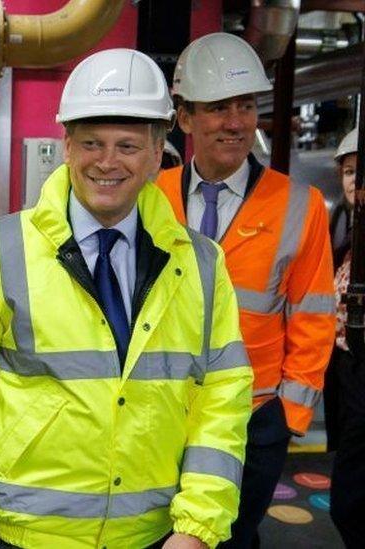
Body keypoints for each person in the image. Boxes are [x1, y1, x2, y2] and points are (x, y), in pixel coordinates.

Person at [0, 48, 253, 549]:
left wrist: (198, 528)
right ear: (67, 145)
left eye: (127, 146)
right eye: (91, 143)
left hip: (156, 535)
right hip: (27, 532)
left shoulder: (201, 265)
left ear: (159, 148)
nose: (106, 162)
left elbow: (222, 401)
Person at [156, 32, 335, 548]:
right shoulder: (151, 198)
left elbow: (314, 313)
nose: (235, 122)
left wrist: (288, 414)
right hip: (163, 412)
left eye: (245, 105)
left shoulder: (300, 204)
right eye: (216, 108)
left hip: (254, 417)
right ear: (184, 118)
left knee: (232, 537)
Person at [326, 127, 364, 545]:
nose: (355, 180)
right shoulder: (346, 228)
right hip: (345, 368)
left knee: (349, 502)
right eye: (350, 171)